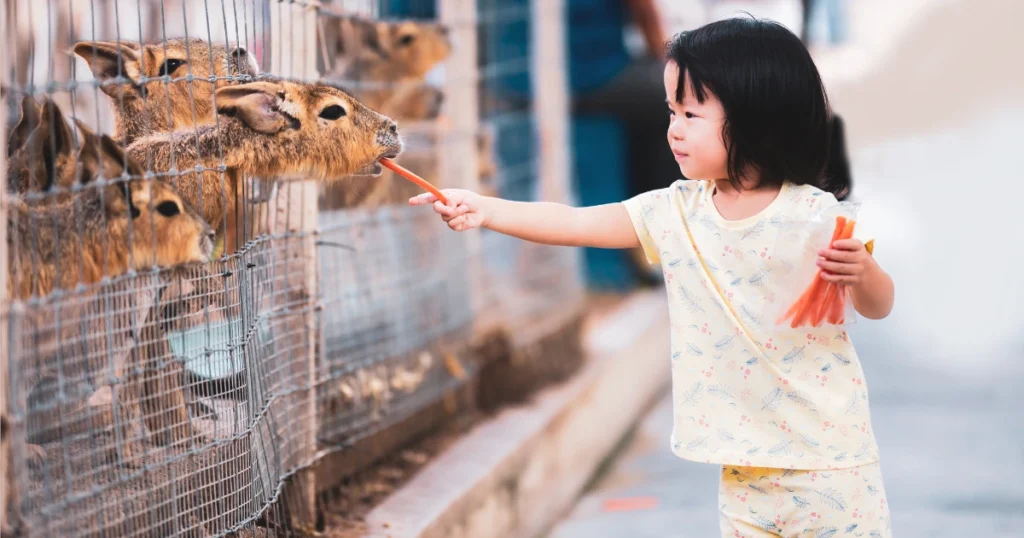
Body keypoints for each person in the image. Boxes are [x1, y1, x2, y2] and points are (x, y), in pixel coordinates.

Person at [411, 17, 894, 537]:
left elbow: (877, 303)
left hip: (830, 465)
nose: (673, 128)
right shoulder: (675, 211)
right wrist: (486, 209)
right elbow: (575, 222)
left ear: (758, 119)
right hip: (744, 469)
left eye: (691, 113)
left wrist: (863, 272)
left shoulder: (815, 216)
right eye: (671, 111)